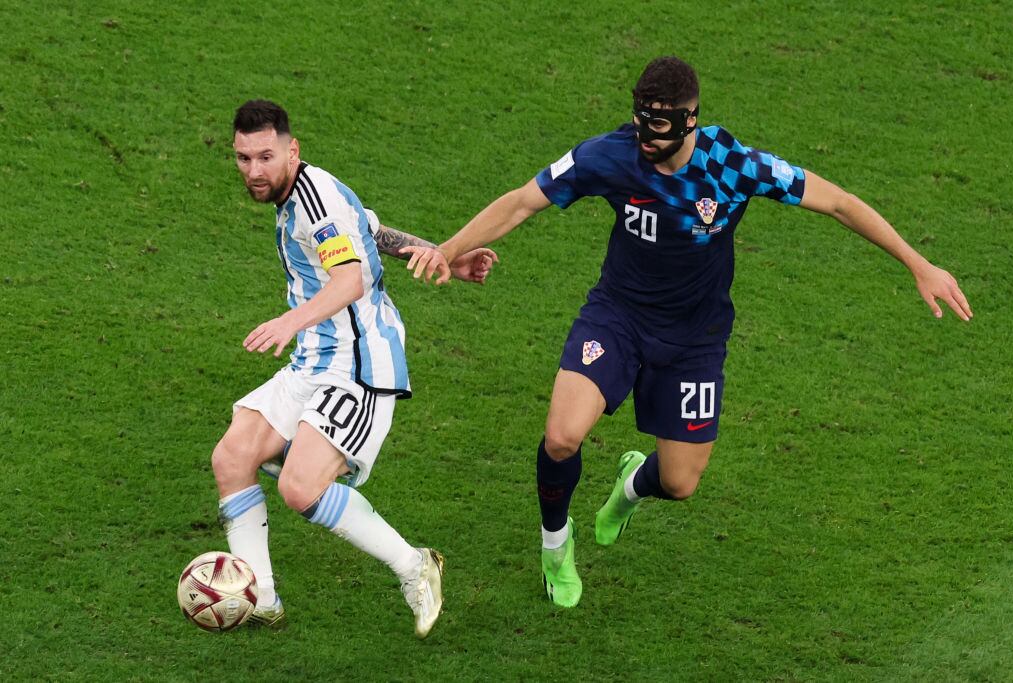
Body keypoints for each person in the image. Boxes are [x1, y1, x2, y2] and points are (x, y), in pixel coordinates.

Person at [399, 56, 973, 608]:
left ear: (689, 119)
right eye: (640, 119)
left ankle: (628, 488)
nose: (645, 136)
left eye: (659, 124)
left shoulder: (735, 166)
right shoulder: (610, 156)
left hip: (695, 341)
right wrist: (446, 250)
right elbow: (525, 201)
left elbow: (841, 204)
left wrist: (917, 263)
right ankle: (555, 547)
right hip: (617, 317)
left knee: (678, 483)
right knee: (561, 436)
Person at [213, 99, 496, 637]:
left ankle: (416, 566)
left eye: (265, 156)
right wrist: (440, 256)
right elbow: (371, 231)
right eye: (243, 158)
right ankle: (261, 599)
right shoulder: (306, 192)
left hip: (359, 363)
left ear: (292, 151)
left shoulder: (312, 202)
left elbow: (350, 281)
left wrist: (290, 320)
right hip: (316, 356)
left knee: (301, 489)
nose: (253, 170)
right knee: (232, 456)